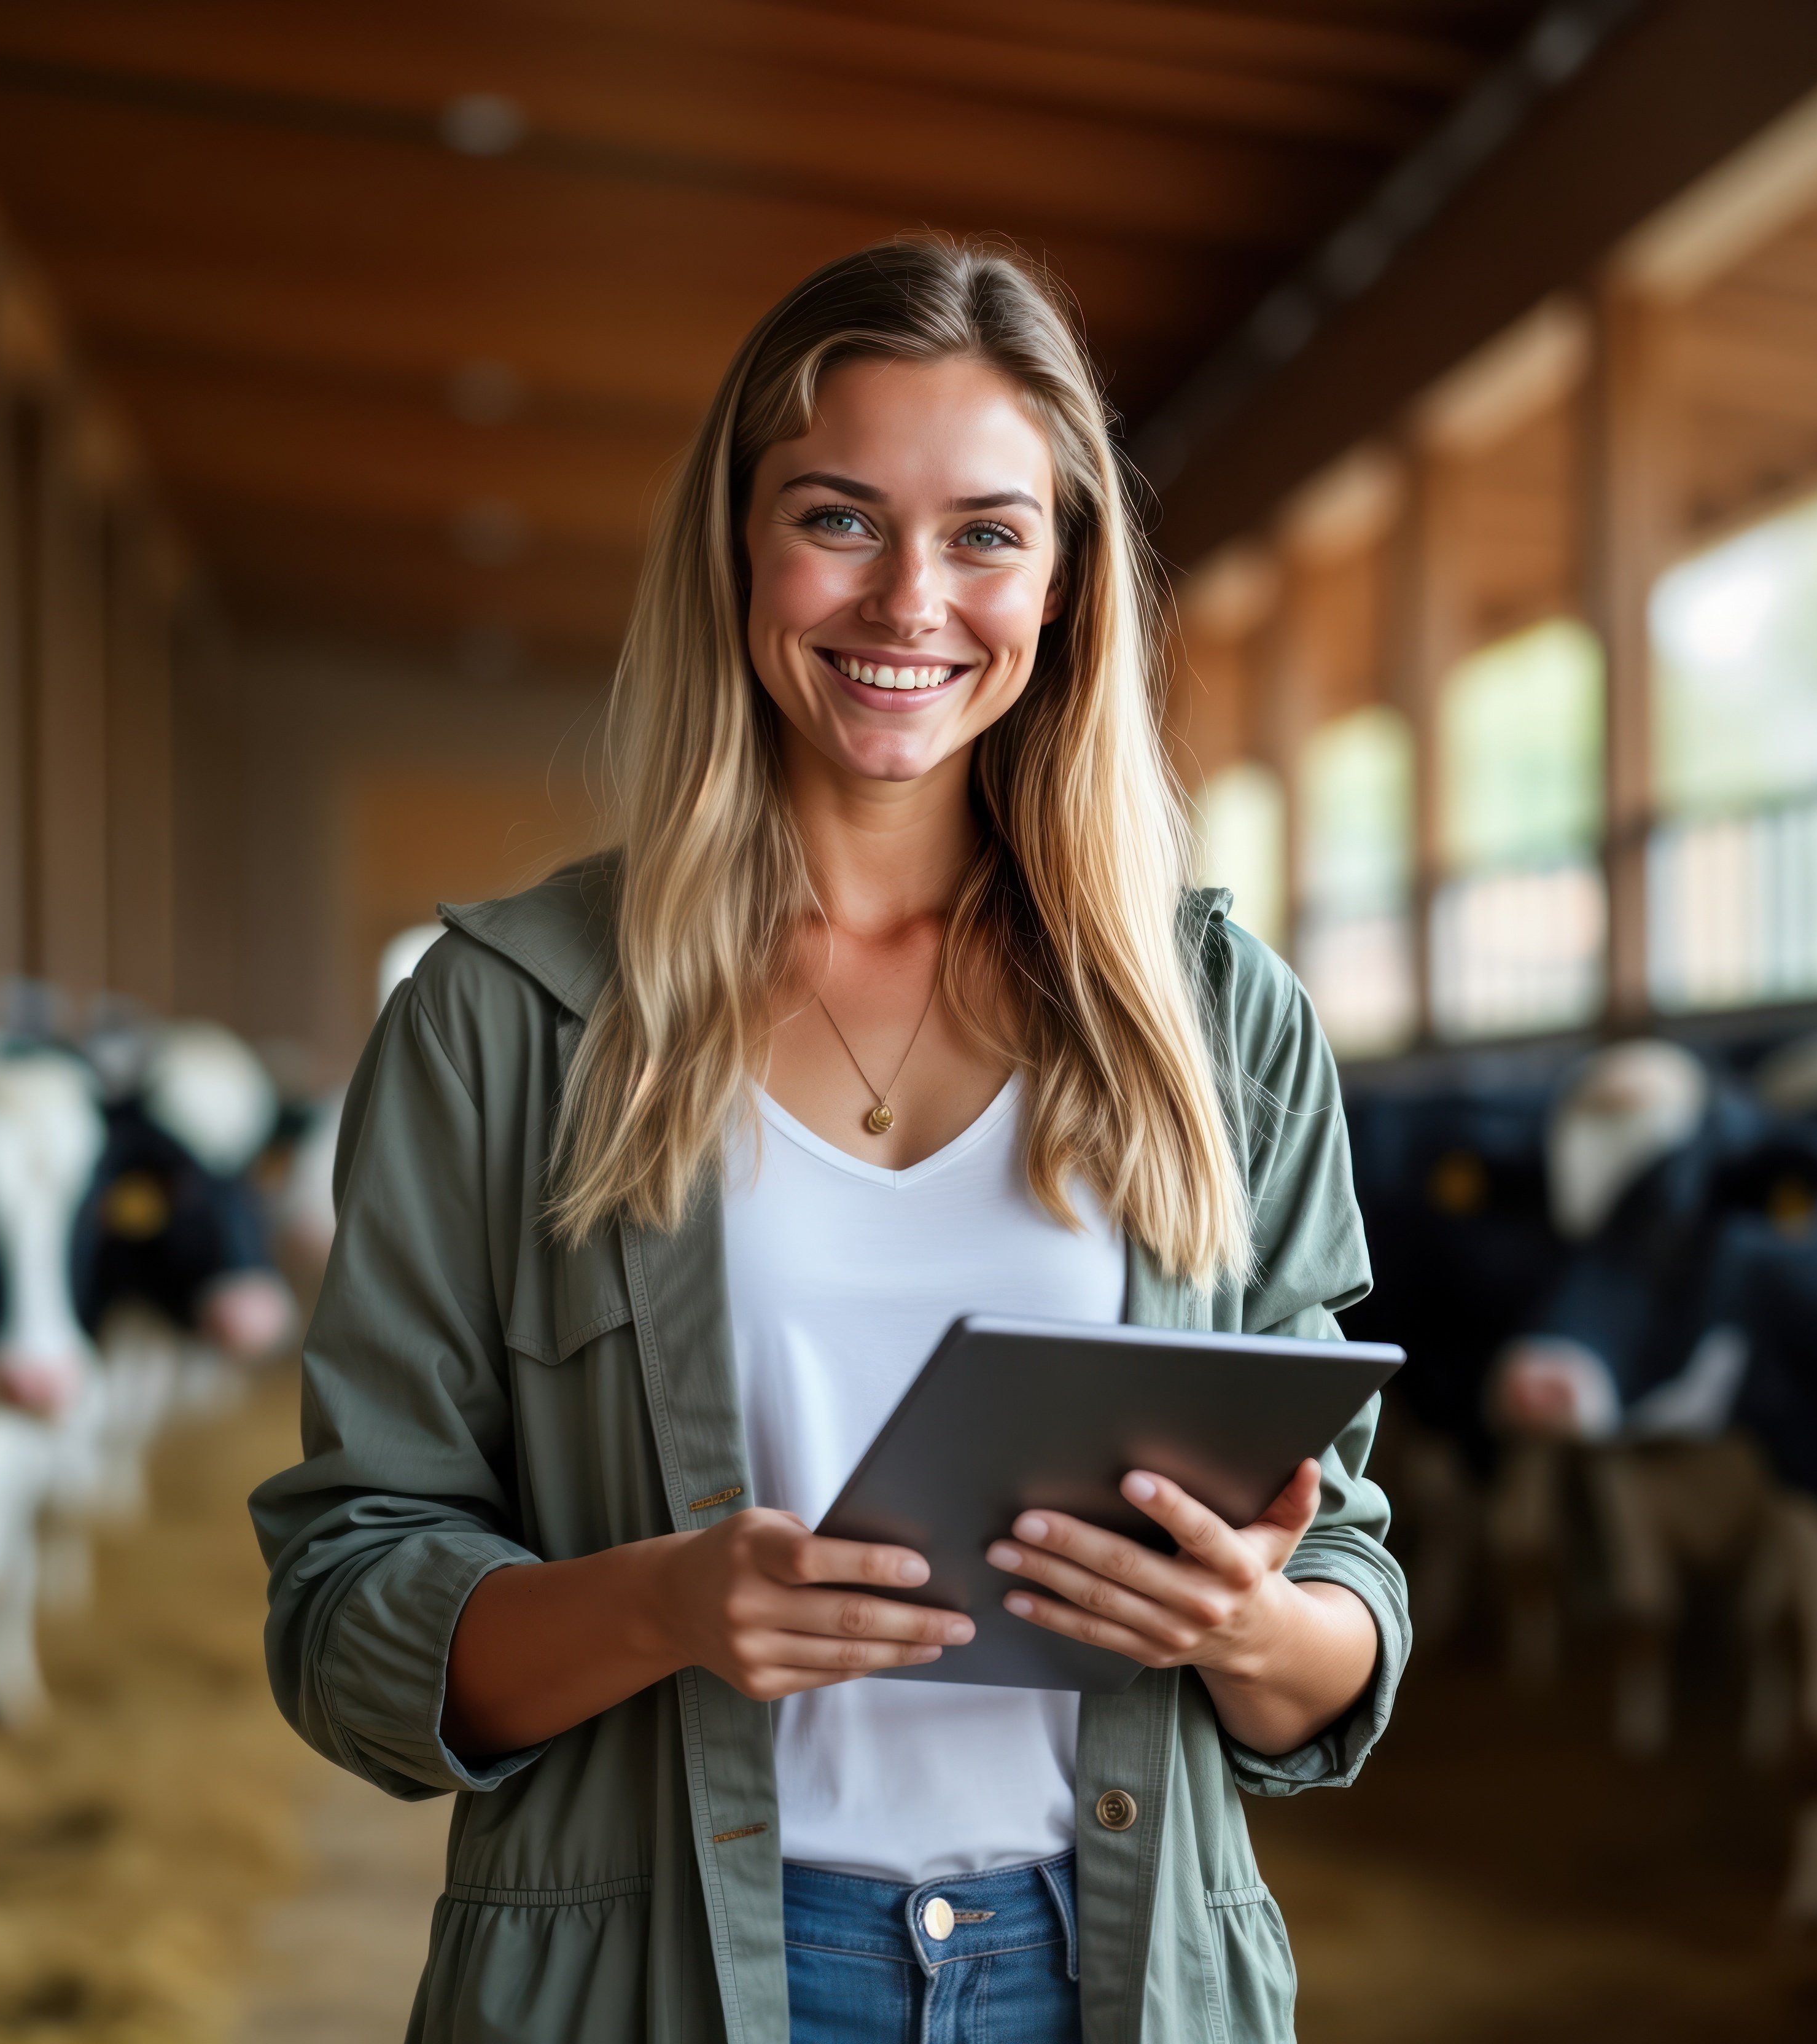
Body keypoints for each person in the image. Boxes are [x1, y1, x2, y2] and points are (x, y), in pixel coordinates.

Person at [252, 237, 1403, 2044]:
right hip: (650, 1983)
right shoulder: (503, 1020)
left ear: (1069, 579)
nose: (910, 602)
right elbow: (342, 1620)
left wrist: (1247, 1627)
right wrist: (662, 1606)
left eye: (987, 535)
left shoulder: (1215, 1017)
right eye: (841, 518)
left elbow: (1342, 1606)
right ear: (735, 543)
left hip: (1106, 1974)